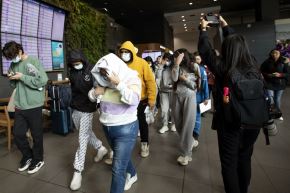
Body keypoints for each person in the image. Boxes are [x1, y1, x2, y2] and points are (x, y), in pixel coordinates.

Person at [198, 16, 262, 193]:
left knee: (229, 162)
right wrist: (227, 27)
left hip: (230, 122)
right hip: (253, 121)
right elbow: (237, 43)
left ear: (226, 49)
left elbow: (205, 51)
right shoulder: (253, 64)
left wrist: (203, 30)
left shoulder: (223, 67)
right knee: (245, 158)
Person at [88, 53, 141, 193]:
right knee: (121, 158)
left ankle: (128, 178)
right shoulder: (103, 81)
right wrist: (95, 93)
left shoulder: (131, 78)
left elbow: (134, 100)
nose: (105, 75)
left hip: (126, 128)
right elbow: (91, 96)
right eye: (102, 73)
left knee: (117, 169)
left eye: (107, 72)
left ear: (115, 68)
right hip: (107, 127)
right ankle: (133, 174)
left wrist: (118, 83)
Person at [2, 41, 48, 174]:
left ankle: (38, 159)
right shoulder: (13, 64)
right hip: (20, 105)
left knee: (36, 135)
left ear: (20, 51)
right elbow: (14, 86)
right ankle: (28, 156)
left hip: (34, 104)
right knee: (18, 134)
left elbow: (42, 81)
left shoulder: (34, 61)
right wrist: (12, 78)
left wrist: (22, 77)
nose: (12, 60)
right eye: (10, 58)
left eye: (12, 56)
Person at [68, 49, 108, 190]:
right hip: (75, 108)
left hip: (87, 109)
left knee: (82, 139)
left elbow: (100, 87)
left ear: (83, 61)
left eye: (78, 63)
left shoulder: (91, 70)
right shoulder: (72, 72)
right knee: (86, 132)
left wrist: (97, 95)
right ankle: (100, 148)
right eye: (73, 63)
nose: (76, 65)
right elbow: (73, 88)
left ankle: (78, 171)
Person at [118, 41, 156, 158]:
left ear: (131, 52)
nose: (124, 54)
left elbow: (150, 81)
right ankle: (119, 149)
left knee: (141, 121)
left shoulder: (142, 63)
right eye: (122, 52)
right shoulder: (119, 64)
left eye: (126, 52)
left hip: (140, 99)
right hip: (123, 99)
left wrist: (151, 99)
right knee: (123, 123)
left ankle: (145, 144)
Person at [172, 48, 200, 166]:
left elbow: (196, 86)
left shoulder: (194, 67)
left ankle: (186, 154)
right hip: (177, 96)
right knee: (178, 124)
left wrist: (185, 79)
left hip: (189, 97)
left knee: (188, 125)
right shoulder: (175, 66)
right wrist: (176, 64)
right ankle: (191, 141)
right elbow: (174, 78)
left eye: (177, 56)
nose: (175, 58)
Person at [260, 49, 289, 121]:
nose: (274, 55)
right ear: (271, 54)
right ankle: (270, 113)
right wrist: (268, 75)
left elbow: (288, 73)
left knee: (277, 99)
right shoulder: (267, 62)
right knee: (270, 99)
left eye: (276, 53)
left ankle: (278, 114)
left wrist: (280, 74)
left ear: (280, 54)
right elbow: (261, 71)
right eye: (273, 53)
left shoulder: (284, 62)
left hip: (280, 84)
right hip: (269, 83)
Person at [192, 52, 209, 148]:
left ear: (201, 60)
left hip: (198, 97)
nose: (196, 61)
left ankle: (195, 135)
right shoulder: (191, 69)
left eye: (198, 59)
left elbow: (205, 85)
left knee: (197, 116)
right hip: (191, 97)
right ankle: (192, 135)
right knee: (192, 116)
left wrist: (206, 97)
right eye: (195, 59)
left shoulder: (202, 70)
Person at [156, 52, 176, 133]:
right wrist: (161, 66)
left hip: (173, 91)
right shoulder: (161, 67)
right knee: (164, 109)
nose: (167, 61)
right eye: (165, 60)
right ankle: (165, 125)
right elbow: (158, 77)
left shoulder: (174, 67)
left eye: (168, 60)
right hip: (163, 91)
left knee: (174, 109)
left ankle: (174, 124)